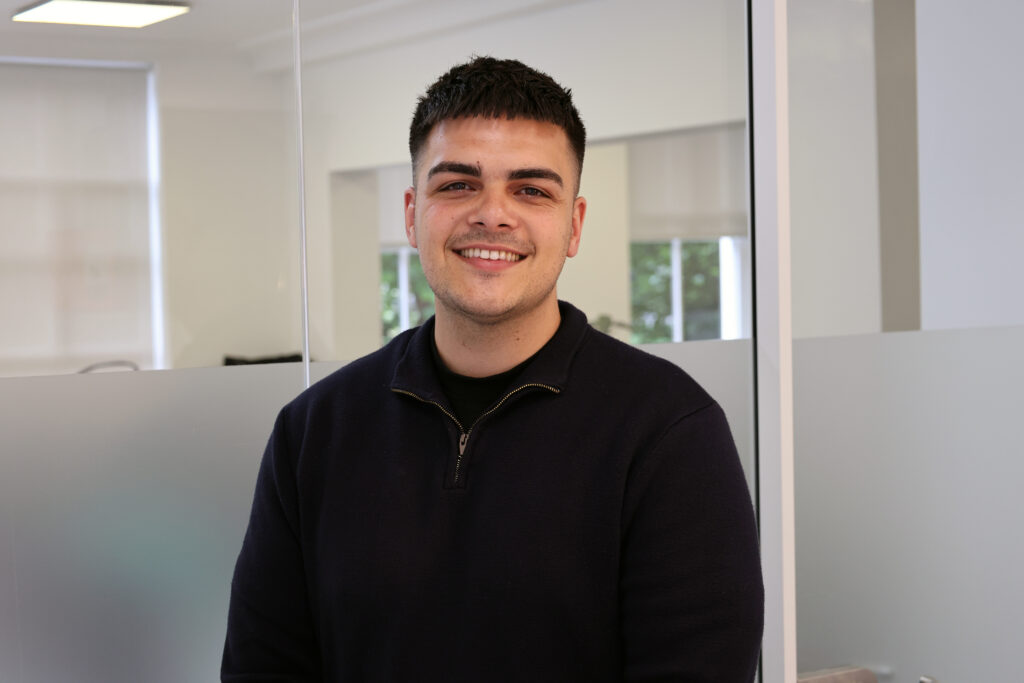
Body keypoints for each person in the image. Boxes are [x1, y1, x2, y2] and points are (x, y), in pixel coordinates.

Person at [222, 56, 763, 682]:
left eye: (531, 190)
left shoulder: (668, 431)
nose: (492, 215)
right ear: (411, 213)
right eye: (457, 185)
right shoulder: (315, 429)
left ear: (573, 226)